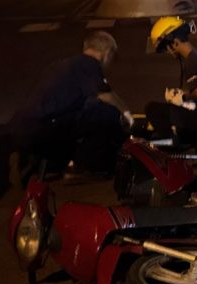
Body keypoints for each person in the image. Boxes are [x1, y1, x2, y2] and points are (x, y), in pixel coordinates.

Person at [9, 30, 132, 181]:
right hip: (45, 129)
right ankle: (82, 168)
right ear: (107, 52)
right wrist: (126, 113)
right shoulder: (88, 63)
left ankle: (35, 160)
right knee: (108, 114)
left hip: (22, 128)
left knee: (83, 116)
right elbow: (106, 95)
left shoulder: (60, 65)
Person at [145, 16, 197, 144]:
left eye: (166, 47)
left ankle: (171, 144)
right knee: (176, 109)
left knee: (152, 108)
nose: (168, 51)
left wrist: (183, 99)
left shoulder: (192, 61)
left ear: (174, 42)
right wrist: (182, 95)